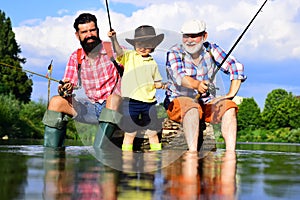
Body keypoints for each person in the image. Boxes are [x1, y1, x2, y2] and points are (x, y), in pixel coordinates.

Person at [164, 19, 246, 152]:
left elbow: (235, 67)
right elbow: (179, 77)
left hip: (207, 102)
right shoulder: (175, 52)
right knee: (191, 107)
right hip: (178, 101)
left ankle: (230, 154)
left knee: (230, 107)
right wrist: (197, 85)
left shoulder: (212, 49)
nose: (189, 40)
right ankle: (192, 154)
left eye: (194, 36)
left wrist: (230, 95)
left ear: (204, 36)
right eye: (186, 36)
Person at [42, 13, 122, 148]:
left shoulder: (112, 50)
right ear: (77, 35)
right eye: (84, 32)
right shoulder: (76, 57)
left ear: (97, 30)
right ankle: (53, 155)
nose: (89, 34)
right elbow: (68, 81)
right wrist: (64, 88)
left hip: (116, 109)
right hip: (89, 108)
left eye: (92, 30)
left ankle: (99, 151)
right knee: (56, 101)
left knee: (113, 99)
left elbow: (130, 62)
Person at [108, 25, 165, 151]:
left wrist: (163, 86)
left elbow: (156, 82)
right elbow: (118, 52)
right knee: (130, 133)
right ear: (134, 45)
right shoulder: (129, 56)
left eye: (147, 44)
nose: (143, 47)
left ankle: (155, 158)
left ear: (153, 46)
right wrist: (114, 39)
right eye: (140, 44)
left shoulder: (153, 63)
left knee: (153, 133)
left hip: (149, 103)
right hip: (130, 102)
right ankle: (127, 159)